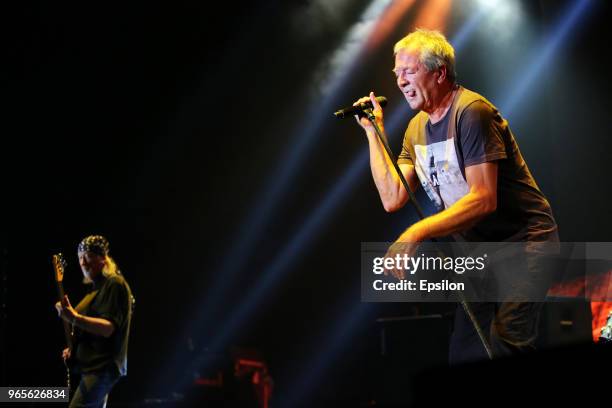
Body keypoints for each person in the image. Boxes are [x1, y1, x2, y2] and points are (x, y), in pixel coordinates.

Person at [353, 29, 558, 364]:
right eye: (396, 74)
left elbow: (483, 199)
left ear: (439, 72)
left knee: (504, 343)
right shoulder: (415, 129)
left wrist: (416, 232)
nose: (401, 82)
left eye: (409, 71)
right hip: (479, 255)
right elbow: (392, 197)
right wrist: (373, 132)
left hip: (523, 243)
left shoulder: (472, 112)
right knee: (467, 352)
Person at [55, 235, 134, 407]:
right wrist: (74, 349)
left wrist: (74, 317)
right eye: (79, 258)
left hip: (101, 368)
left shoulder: (114, 284)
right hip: (91, 368)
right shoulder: (94, 291)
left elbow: (108, 328)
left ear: (103, 258)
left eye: (87, 256)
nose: (82, 262)